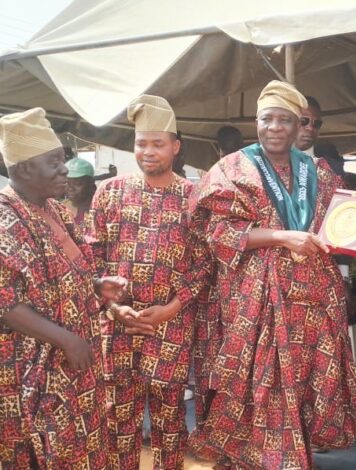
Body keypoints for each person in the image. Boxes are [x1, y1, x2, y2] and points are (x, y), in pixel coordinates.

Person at [187, 80, 356, 469]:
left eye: (285, 120)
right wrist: (282, 236)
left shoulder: (317, 172)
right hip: (255, 306)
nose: (274, 128)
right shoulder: (233, 169)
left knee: (301, 393)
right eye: (267, 119)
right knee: (255, 392)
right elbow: (219, 234)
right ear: (256, 122)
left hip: (310, 306)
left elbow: (339, 228)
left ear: (299, 124)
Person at [0, 108, 126, 468]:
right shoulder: (6, 219)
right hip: (35, 370)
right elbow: (6, 304)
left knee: (81, 449)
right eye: (54, 162)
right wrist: (66, 340)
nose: (65, 170)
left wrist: (97, 286)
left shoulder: (53, 209)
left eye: (63, 160)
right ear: (24, 168)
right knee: (43, 452)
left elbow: (69, 268)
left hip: (73, 365)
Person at [89, 95, 205, 469]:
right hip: (117, 327)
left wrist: (170, 309)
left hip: (170, 327)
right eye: (142, 144)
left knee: (170, 421)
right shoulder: (110, 192)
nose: (149, 152)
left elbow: (204, 266)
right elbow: (91, 259)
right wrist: (114, 307)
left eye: (158, 144)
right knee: (118, 419)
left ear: (176, 147)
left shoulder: (194, 198)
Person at [64, 157, 97, 230]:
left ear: (91, 183)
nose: (70, 188)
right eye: (67, 182)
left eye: (77, 183)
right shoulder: (61, 208)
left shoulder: (98, 210)